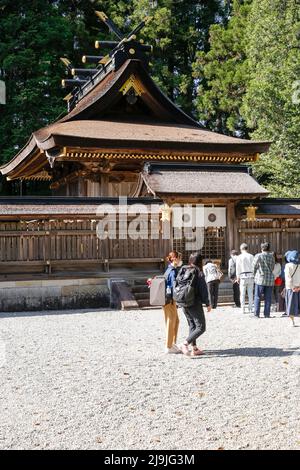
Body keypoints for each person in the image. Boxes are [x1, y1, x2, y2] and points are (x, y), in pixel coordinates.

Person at [179, 253, 212, 356]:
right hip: (194, 302)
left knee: (192, 325)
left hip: (183, 301)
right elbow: (203, 290)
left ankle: (194, 348)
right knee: (201, 327)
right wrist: (208, 303)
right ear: (200, 261)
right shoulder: (198, 272)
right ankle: (185, 344)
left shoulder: (183, 269)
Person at [163, 250, 181, 354]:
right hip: (169, 299)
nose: (180, 260)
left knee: (176, 321)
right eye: (179, 258)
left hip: (168, 299)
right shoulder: (173, 271)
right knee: (171, 321)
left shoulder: (169, 269)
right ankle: (168, 346)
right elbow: (175, 286)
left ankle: (173, 343)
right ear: (174, 259)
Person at [253, 242, 275, 318]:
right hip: (269, 279)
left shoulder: (258, 256)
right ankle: (267, 314)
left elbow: (254, 267)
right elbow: (272, 267)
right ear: (269, 248)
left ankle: (256, 314)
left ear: (261, 248)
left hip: (260, 279)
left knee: (257, 296)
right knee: (268, 297)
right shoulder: (272, 256)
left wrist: (253, 275)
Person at [236, 243, 254, 314]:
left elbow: (238, 268)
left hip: (243, 276)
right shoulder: (251, 256)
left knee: (242, 294)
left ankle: (242, 309)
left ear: (241, 249)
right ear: (247, 248)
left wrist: (238, 277)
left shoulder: (239, 257)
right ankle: (250, 308)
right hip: (251, 275)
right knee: (250, 293)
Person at [284, 250, 300, 327]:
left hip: (291, 288)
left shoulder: (288, 265)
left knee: (291, 305)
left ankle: (292, 321)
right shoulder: (299, 265)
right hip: (299, 287)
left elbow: (288, 278)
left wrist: (292, 287)